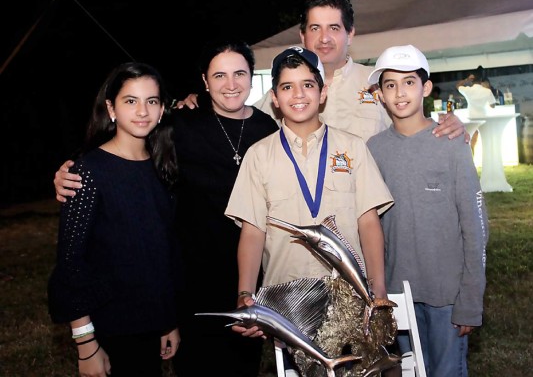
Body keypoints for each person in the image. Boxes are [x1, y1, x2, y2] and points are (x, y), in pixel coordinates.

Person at [53, 40, 279, 377]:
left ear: (252, 76)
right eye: (219, 75)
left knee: (242, 365)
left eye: (239, 74)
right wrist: (66, 173)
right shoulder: (181, 125)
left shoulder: (269, 129)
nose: (230, 84)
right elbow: (114, 160)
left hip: (246, 274)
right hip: (188, 280)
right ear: (204, 81)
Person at [224, 47, 395, 374]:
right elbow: (252, 232)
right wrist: (245, 293)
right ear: (274, 97)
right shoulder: (259, 156)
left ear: (323, 92)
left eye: (307, 84)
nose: (298, 94)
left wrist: (379, 291)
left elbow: (368, 221)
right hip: (287, 301)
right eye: (287, 87)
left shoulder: (352, 147)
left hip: (350, 297)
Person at [177, 0, 466, 142]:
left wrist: (453, 126)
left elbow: (414, 129)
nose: (324, 38)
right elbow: (238, 117)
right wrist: (200, 103)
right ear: (302, 36)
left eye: (334, 28)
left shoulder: (379, 82)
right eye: (314, 28)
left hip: (368, 219)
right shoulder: (281, 92)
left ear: (350, 33)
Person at [47, 62, 184, 377]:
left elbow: (160, 257)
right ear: (111, 108)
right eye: (130, 101)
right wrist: (86, 344)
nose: (142, 111)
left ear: (162, 109)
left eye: (151, 101)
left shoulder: (163, 168)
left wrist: (167, 322)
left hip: (151, 324)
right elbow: (70, 264)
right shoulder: (88, 172)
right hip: (111, 329)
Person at [366, 45, 488, 376]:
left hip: (447, 295)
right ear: (379, 94)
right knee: (411, 371)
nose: (399, 92)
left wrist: (470, 299)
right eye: (389, 85)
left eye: (409, 82)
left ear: (426, 88)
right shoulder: (373, 151)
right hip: (397, 293)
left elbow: (475, 227)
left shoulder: (451, 143)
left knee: (447, 371)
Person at [456, 70, 497, 153]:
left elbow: (458, 85)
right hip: (484, 118)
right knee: (486, 141)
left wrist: (466, 79)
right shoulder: (487, 91)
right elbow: (493, 106)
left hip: (472, 118)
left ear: (472, 80)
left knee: (472, 142)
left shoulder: (468, 90)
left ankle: (472, 158)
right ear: (481, 80)